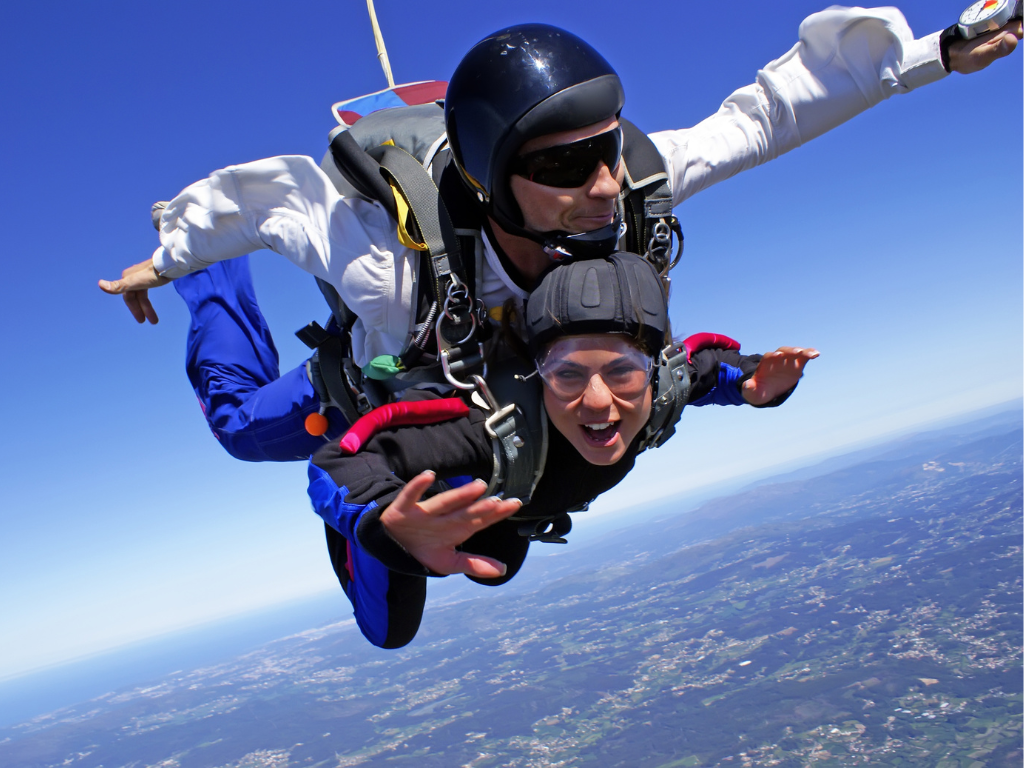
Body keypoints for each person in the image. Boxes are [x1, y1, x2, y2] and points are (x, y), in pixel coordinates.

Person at [97, 8, 1022, 464]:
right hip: (401, 373)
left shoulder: (626, 194)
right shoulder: (389, 266)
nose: (606, 185)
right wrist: (176, 253)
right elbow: (275, 205)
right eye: (570, 168)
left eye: (608, 150)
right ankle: (208, 296)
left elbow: (768, 117)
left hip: (519, 374)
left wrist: (931, 56)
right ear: (496, 181)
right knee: (238, 426)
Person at [306, 251, 819, 648]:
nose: (599, 401)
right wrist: (378, 521)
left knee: (498, 567)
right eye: (567, 374)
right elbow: (342, 459)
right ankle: (221, 271)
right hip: (447, 485)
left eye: (623, 371)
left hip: (516, 506)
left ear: (653, 371)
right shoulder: (488, 428)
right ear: (537, 375)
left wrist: (757, 386)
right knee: (389, 631)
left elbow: (717, 366)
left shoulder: (666, 386)